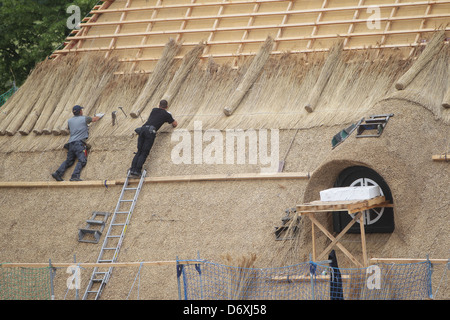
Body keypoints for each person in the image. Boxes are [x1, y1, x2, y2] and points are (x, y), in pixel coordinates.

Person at [51, 105, 103, 182]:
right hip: (79, 144)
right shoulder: (85, 118)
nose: (82, 111)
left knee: (69, 161)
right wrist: (100, 115)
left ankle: (58, 173)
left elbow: (71, 128)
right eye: (81, 110)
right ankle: (75, 176)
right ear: (80, 111)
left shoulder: (70, 121)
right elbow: (95, 119)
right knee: (82, 160)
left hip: (71, 144)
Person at [129, 99, 177, 177]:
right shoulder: (166, 114)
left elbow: (156, 117)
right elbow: (174, 124)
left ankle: (132, 169)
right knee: (144, 152)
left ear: (159, 105)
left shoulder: (154, 110)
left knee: (139, 151)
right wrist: (169, 117)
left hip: (142, 129)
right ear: (167, 107)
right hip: (150, 132)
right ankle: (137, 170)